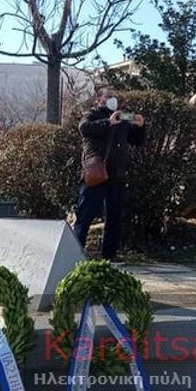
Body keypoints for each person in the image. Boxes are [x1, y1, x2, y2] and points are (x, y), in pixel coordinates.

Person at [73, 86, 146, 261]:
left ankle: (110, 255)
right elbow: (84, 129)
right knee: (85, 215)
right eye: (108, 97)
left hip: (117, 175)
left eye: (114, 97)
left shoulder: (122, 117)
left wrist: (140, 125)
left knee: (114, 217)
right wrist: (108, 122)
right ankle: (74, 252)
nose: (112, 100)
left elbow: (137, 141)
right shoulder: (92, 114)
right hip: (97, 173)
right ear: (99, 100)